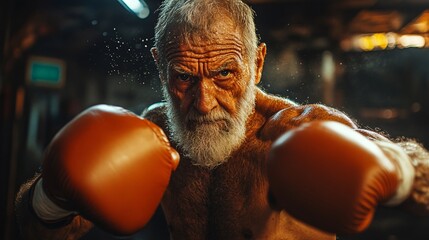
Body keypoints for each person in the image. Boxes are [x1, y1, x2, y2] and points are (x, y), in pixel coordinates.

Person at [15, 0, 429, 239]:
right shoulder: (152, 134)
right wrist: (50, 198)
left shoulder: (299, 130)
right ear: (161, 67)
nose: (204, 102)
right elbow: (36, 233)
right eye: (183, 78)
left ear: (257, 63)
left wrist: (398, 172)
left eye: (225, 74)